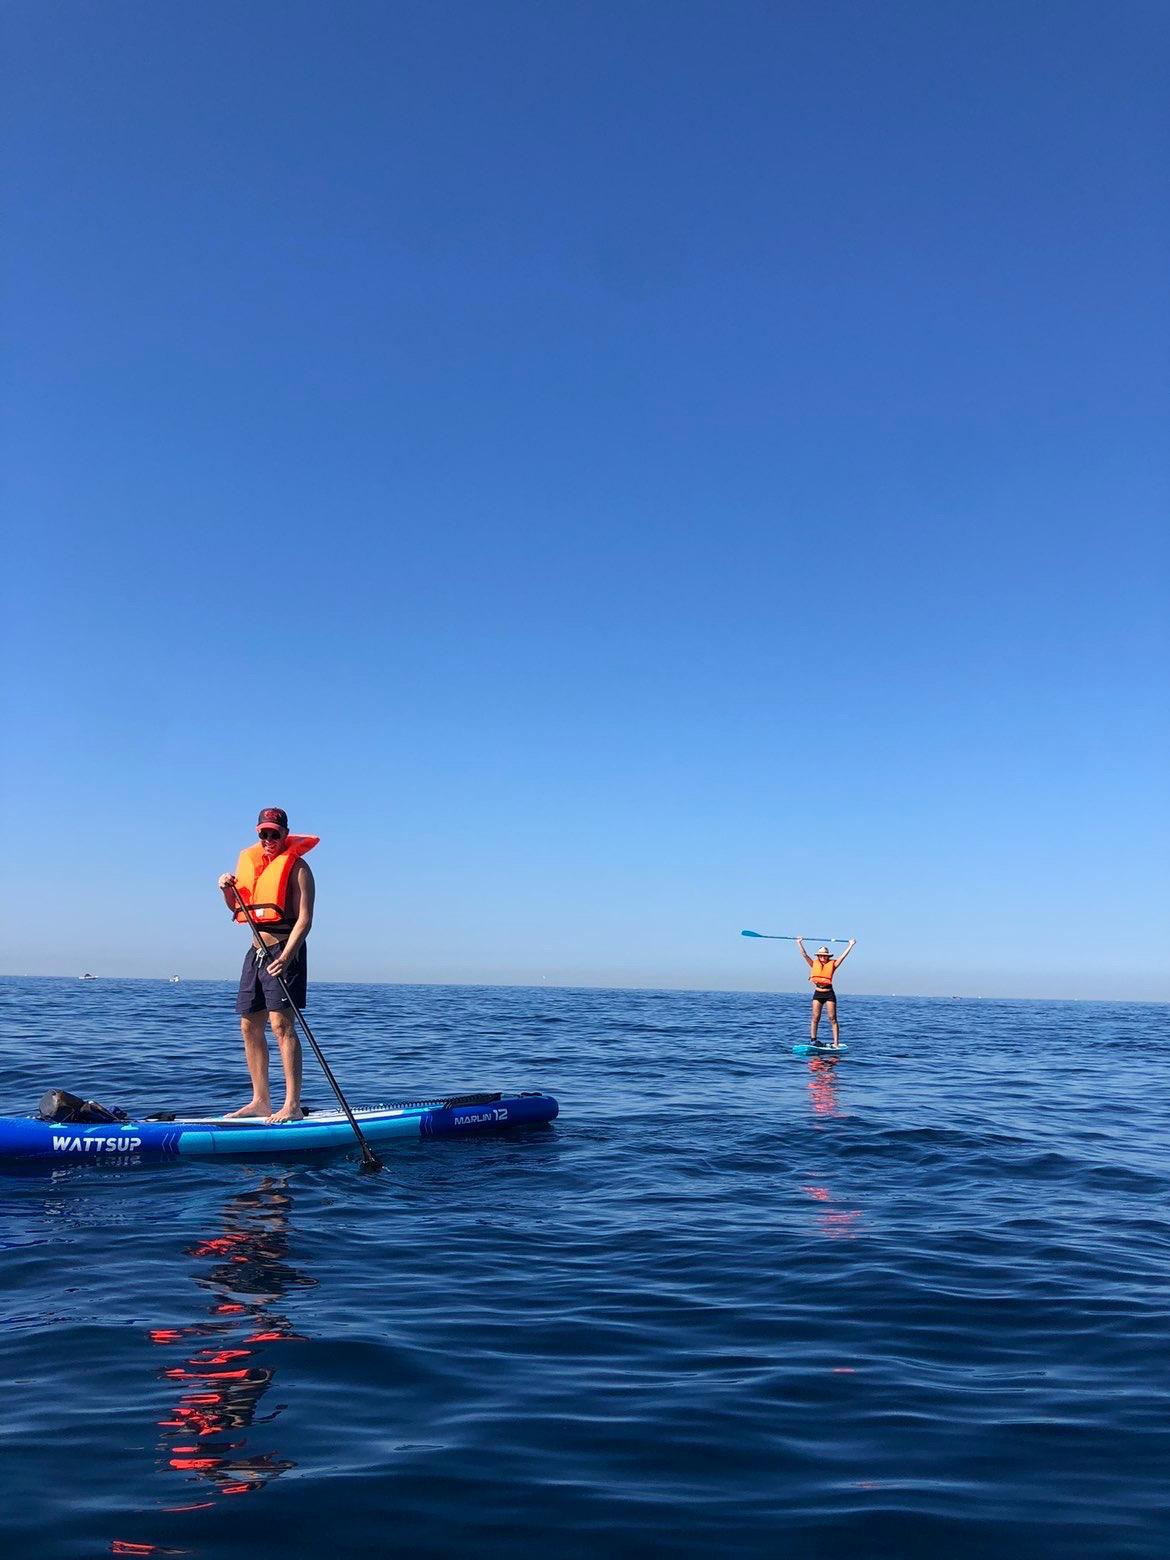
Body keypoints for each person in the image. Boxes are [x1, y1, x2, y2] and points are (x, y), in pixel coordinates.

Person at [217, 808, 318, 1121]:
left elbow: (305, 920)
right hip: (255, 953)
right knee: (248, 1025)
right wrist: (225, 890)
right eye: (264, 834)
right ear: (258, 833)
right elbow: (237, 908)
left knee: (281, 1025)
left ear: (285, 834)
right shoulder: (251, 864)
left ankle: (292, 1105)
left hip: (284, 952)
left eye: (275, 834)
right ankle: (260, 1100)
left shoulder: (299, 868)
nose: (269, 840)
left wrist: (287, 956)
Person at [795, 936, 856, 1048]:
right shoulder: (813, 964)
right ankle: (813, 1040)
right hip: (818, 993)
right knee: (815, 1017)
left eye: (825, 956)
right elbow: (804, 954)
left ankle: (836, 1042)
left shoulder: (833, 965)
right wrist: (799, 942)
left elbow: (843, 956)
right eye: (821, 956)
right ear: (818, 956)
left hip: (829, 993)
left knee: (832, 1018)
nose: (823, 957)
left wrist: (851, 945)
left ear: (828, 957)